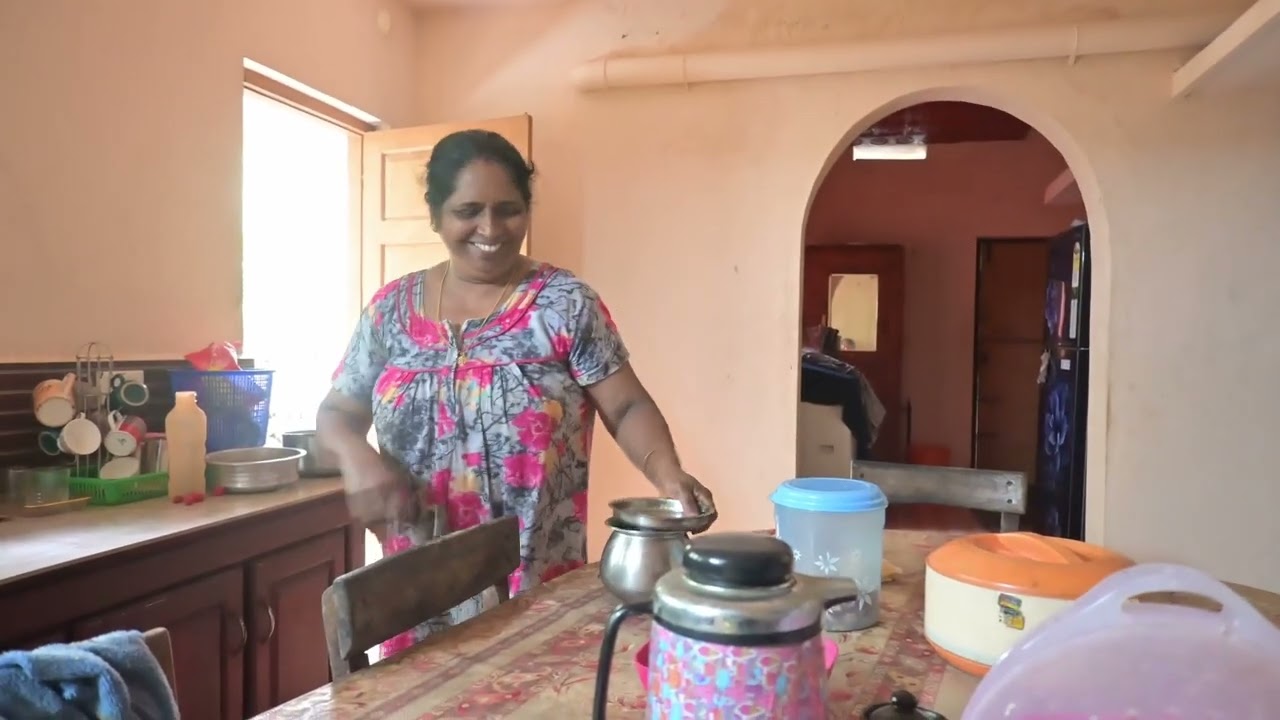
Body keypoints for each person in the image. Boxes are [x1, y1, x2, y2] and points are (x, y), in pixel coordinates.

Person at [316, 129, 714, 658]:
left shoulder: (564, 304)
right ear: (436, 215)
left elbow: (626, 404)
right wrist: (357, 458)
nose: (490, 228)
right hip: (415, 593)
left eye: (508, 210)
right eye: (469, 210)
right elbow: (337, 412)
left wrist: (669, 476)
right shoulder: (390, 312)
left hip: (534, 591)